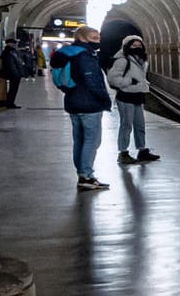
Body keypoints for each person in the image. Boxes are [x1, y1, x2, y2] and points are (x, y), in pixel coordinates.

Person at [51, 26, 112, 190]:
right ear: (84, 38)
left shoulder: (67, 53)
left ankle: (82, 174)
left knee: (79, 140)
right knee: (92, 140)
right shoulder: (85, 55)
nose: (98, 40)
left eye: (99, 37)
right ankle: (86, 175)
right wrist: (104, 98)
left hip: (72, 101)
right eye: (94, 37)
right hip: (89, 103)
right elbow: (92, 80)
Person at [106, 35, 158, 164]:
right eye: (133, 45)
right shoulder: (122, 60)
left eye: (139, 45)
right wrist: (129, 81)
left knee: (140, 125)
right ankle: (123, 153)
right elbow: (112, 79)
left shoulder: (140, 59)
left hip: (138, 95)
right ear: (127, 46)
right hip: (125, 96)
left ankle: (142, 151)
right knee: (126, 125)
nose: (137, 47)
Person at [0, 33, 31, 108]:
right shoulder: (8, 52)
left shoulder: (13, 51)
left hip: (15, 74)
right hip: (13, 74)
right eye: (14, 43)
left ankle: (10, 102)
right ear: (9, 44)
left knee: (13, 89)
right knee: (13, 89)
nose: (15, 44)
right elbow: (11, 65)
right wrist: (16, 74)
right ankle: (10, 103)